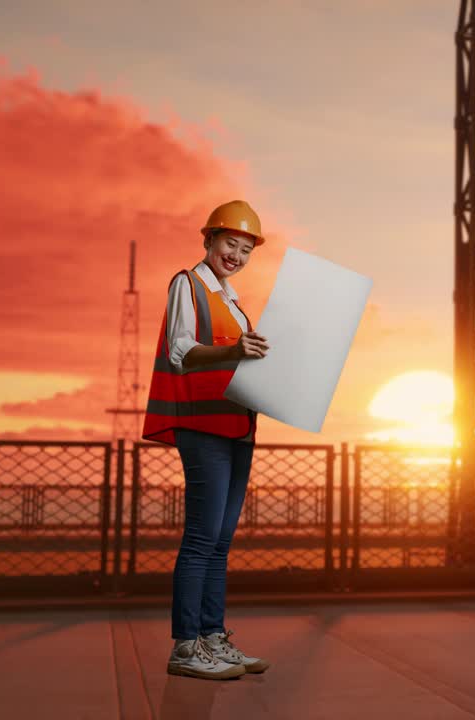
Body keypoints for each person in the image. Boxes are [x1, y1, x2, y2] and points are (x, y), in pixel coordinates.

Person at [140, 199, 273, 680]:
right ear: (209, 240)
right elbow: (180, 351)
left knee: (220, 541)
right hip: (204, 426)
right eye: (229, 243)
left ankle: (213, 638)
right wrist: (235, 349)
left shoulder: (232, 301)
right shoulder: (188, 284)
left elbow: (238, 360)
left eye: (245, 248)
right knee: (201, 539)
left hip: (237, 426)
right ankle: (185, 646)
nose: (236, 254)